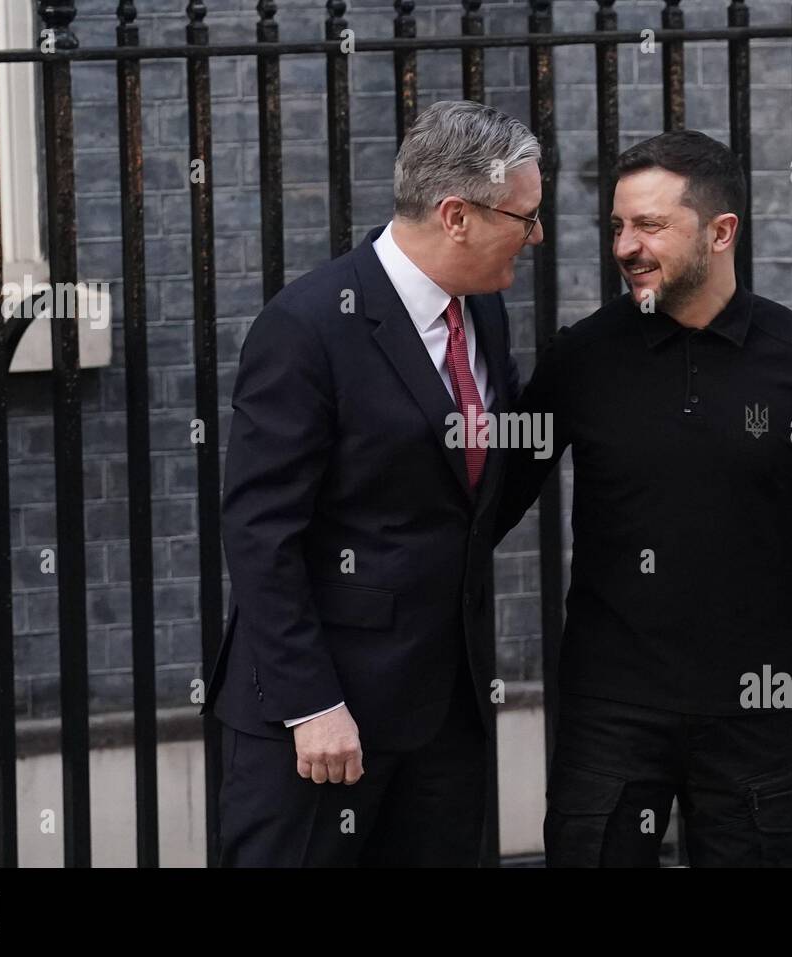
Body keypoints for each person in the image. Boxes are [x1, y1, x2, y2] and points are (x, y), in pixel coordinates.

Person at [496, 130, 792, 867]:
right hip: (609, 709)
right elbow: (495, 501)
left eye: (649, 225)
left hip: (758, 705)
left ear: (721, 231)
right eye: (617, 225)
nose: (625, 245)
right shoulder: (582, 357)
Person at [205, 100, 542, 866]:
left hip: (443, 718)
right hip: (324, 725)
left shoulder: (484, 317)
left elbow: (480, 491)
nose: (537, 234)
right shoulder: (309, 326)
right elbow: (261, 534)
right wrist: (313, 705)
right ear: (457, 215)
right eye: (524, 217)